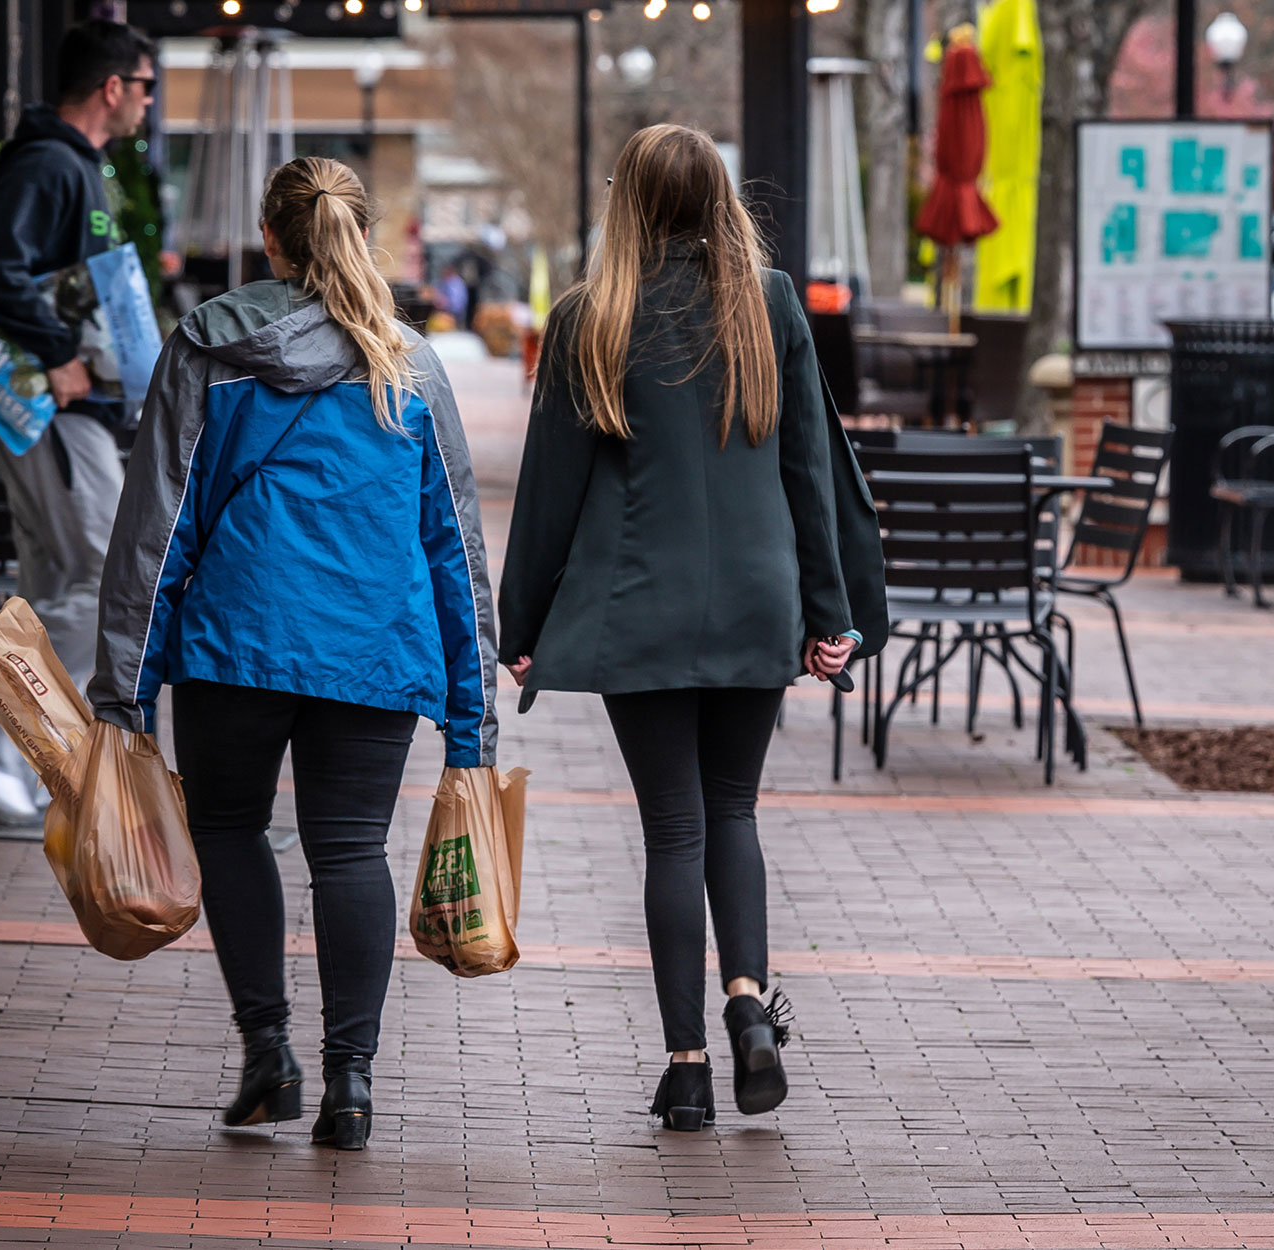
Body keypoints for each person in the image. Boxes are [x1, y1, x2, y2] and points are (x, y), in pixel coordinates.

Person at [89, 157, 497, 1151]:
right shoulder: (412, 363)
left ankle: (268, 1049)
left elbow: (159, 522)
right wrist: (471, 705)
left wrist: (123, 685)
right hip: (375, 648)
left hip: (238, 638)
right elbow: (454, 542)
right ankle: (351, 1080)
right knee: (350, 847)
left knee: (229, 828)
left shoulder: (208, 346)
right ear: (362, 234)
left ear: (269, 237)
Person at [496, 124, 886, 1132]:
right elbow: (812, 468)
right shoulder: (768, 308)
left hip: (641, 608)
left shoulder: (590, 317)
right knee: (735, 813)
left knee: (673, 827)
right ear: (721, 198)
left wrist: (522, 622)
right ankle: (749, 997)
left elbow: (549, 491)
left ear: (626, 202)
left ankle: (686, 1066)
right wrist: (829, 614)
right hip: (758, 599)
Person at [0, 18, 157, 695]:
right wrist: (61, 350)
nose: (148, 101)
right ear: (112, 86)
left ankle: (21, 766)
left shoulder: (72, 165)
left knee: (59, 581)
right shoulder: (50, 164)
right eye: (145, 86)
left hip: (65, 407)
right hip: (56, 404)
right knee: (110, 580)